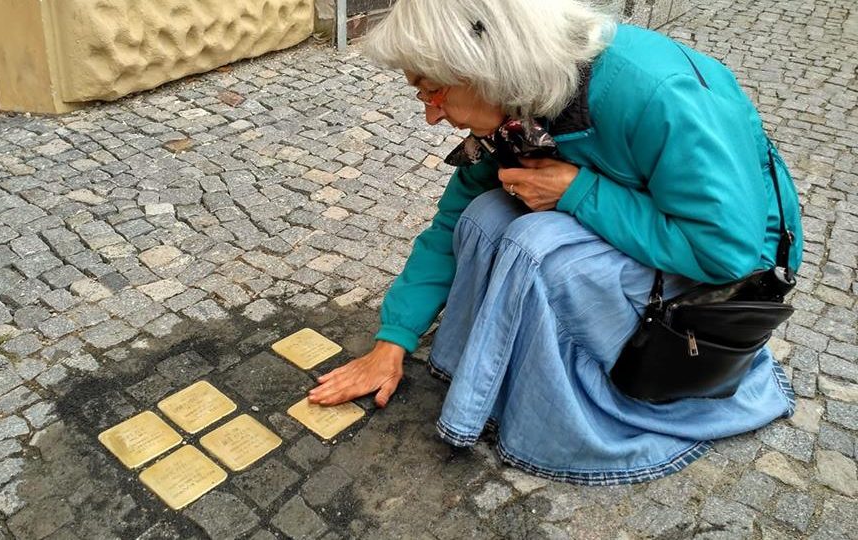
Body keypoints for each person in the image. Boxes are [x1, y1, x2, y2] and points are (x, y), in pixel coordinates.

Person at [307, 0, 803, 484]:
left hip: (731, 281)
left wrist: (577, 192)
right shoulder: (519, 108)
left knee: (535, 243)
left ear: (487, 66)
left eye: (433, 92)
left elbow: (726, 254)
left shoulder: (657, 94)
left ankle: (570, 409)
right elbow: (452, 225)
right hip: (662, 239)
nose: (431, 116)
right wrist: (392, 340)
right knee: (485, 215)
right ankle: (490, 377)